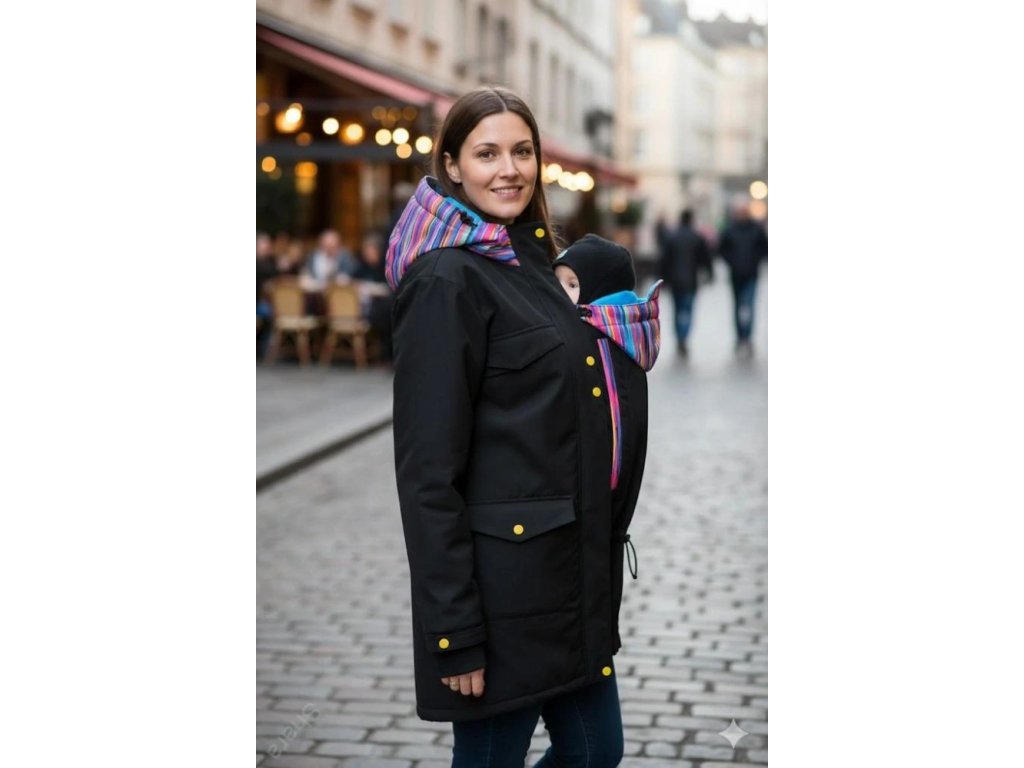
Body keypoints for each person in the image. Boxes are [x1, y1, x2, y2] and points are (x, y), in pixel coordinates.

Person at [386, 86, 629, 767]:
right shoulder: (446, 279)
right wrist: (454, 633)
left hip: (567, 582)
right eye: (487, 154)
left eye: (522, 151)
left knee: (597, 752)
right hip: (501, 600)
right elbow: (427, 475)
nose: (509, 169)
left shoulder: (533, 260)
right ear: (452, 165)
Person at [553, 234, 661, 579]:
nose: (560, 293)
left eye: (572, 285)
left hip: (592, 515)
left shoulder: (594, 345)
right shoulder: (615, 339)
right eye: (556, 282)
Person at [717, 200, 768, 357]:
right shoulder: (730, 230)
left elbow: (764, 249)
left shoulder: (756, 229)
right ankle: (740, 337)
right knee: (738, 306)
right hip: (736, 275)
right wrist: (731, 262)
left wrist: (756, 260)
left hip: (751, 274)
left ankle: (747, 337)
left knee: (749, 305)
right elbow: (722, 250)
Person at [659, 209, 712, 357]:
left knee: (677, 310)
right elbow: (705, 259)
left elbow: (664, 260)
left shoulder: (672, 237)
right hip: (691, 281)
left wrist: (662, 279)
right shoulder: (697, 237)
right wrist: (709, 274)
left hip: (675, 281)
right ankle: (684, 336)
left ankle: (679, 337)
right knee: (687, 310)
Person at [351, 230, 393, 362]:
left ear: (377, 251)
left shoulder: (385, 266)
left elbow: (388, 287)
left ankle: (384, 354)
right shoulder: (361, 266)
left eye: (369, 250)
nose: (366, 254)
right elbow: (353, 281)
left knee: (385, 312)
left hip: (381, 306)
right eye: (365, 251)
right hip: (361, 307)